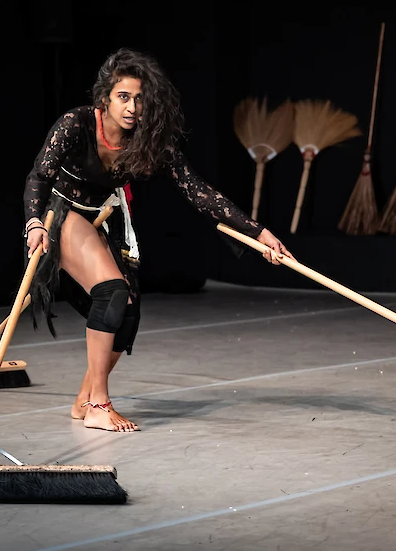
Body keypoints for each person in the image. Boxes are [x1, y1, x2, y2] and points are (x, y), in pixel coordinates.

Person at [22, 48, 294, 433]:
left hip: (104, 219)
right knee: (112, 291)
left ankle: (84, 400)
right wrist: (34, 223)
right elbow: (39, 175)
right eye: (123, 97)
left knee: (128, 313)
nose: (132, 107)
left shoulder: (147, 140)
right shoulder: (76, 123)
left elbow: (198, 190)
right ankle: (100, 404)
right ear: (104, 98)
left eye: (139, 99)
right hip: (62, 214)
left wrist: (257, 233)